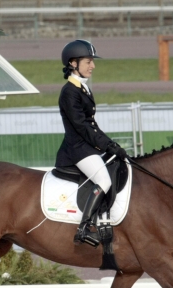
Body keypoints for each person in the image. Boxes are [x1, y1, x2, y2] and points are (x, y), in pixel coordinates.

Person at [55, 39, 128, 247]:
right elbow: (82, 126)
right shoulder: (69, 91)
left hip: (87, 146)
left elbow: (92, 125)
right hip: (77, 150)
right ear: (73, 63)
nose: (93, 66)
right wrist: (107, 145)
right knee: (104, 181)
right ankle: (84, 227)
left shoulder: (82, 88)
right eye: (88, 61)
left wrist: (110, 144)